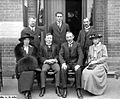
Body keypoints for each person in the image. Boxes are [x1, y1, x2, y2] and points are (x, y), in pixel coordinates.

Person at [59, 32, 84, 98]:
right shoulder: (63, 45)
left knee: (78, 70)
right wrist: (63, 63)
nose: (69, 38)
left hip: (75, 63)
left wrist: (78, 64)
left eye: (70, 37)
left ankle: (78, 89)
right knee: (63, 69)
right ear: (66, 38)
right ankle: (64, 89)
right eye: (67, 37)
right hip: (67, 63)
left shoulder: (77, 45)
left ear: (73, 37)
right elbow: (60, 55)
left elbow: (81, 55)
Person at [14, 34, 38, 99]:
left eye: (28, 40)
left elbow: (35, 58)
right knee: (23, 73)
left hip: (31, 66)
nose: (27, 41)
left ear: (29, 41)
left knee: (31, 73)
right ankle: (25, 91)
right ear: (22, 41)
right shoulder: (19, 49)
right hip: (21, 66)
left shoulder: (33, 48)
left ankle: (27, 91)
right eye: (25, 40)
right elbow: (18, 59)